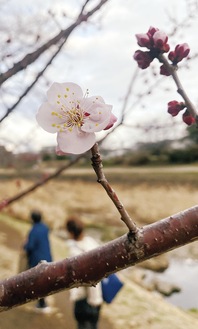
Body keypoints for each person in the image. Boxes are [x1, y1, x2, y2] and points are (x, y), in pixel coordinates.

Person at [66, 216, 103, 329]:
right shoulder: (92, 243)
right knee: (94, 325)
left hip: (84, 299)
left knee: (83, 325)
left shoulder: (75, 251)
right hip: (97, 296)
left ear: (71, 233)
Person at [24, 210, 52, 311]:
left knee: (38, 282)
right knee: (43, 281)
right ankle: (42, 302)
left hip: (37, 259)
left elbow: (30, 246)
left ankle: (42, 304)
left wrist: (24, 246)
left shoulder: (33, 230)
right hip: (47, 257)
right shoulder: (45, 228)